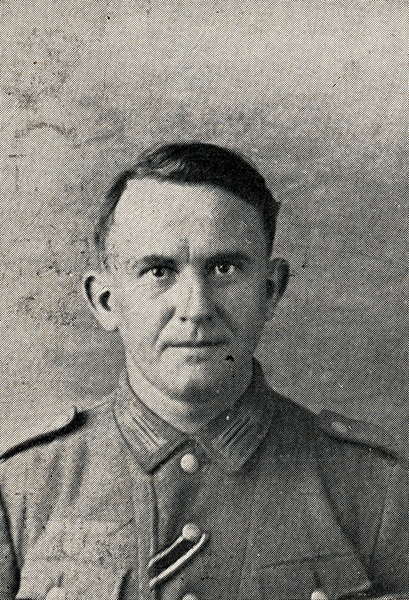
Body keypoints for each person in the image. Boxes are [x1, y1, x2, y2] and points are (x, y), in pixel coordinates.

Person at [0, 142, 408, 600]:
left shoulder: (375, 485)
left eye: (224, 267)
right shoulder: (23, 485)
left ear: (270, 290)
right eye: (158, 271)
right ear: (106, 301)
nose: (196, 308)